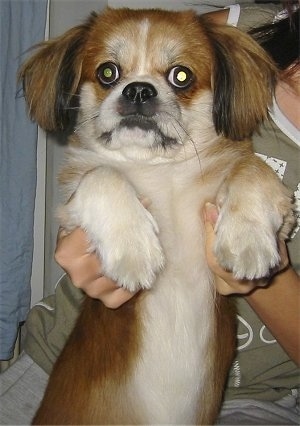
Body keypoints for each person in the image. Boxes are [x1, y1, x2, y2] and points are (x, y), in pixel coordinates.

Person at [0, 3, 299, 425]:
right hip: (64, 364)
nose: (138, 91)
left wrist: (256, 204)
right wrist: (97, 201)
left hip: (247, 398)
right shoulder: (230, 27)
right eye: (109, 74)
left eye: (180, 78)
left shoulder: (236, 163)